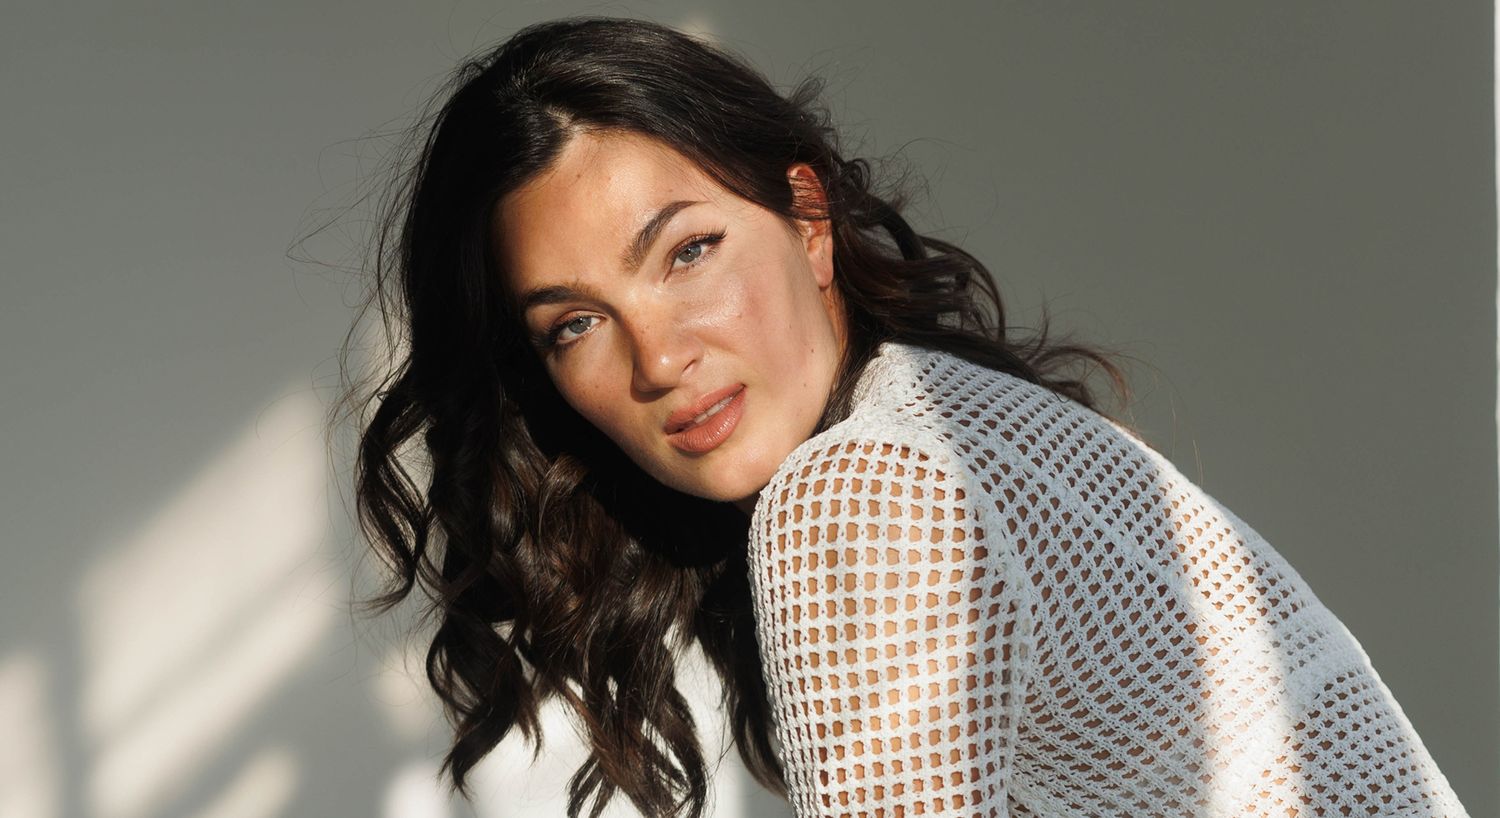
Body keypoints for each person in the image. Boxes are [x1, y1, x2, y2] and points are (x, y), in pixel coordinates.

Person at [335, 16, 1471, 818]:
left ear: (808, 219)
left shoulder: (865, 489)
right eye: (574, 324)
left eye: (688, 251)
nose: (660, 356)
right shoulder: (958, 423)